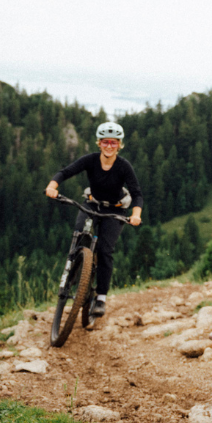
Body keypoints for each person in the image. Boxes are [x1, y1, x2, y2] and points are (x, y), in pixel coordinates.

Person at [45, 121, 144, 318]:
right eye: (105, 142)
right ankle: (77, 270)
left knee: (105, 251)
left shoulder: (124, 166)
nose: (109, 146)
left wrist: (136, 215)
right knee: (80, 234)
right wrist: (52, 186)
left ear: (119, 145)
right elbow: (66, 172)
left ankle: (100, 298)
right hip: (92, 203)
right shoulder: (90, 160)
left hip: (115, 210)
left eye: (113, 143)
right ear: (99, 143)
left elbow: (137, 193)